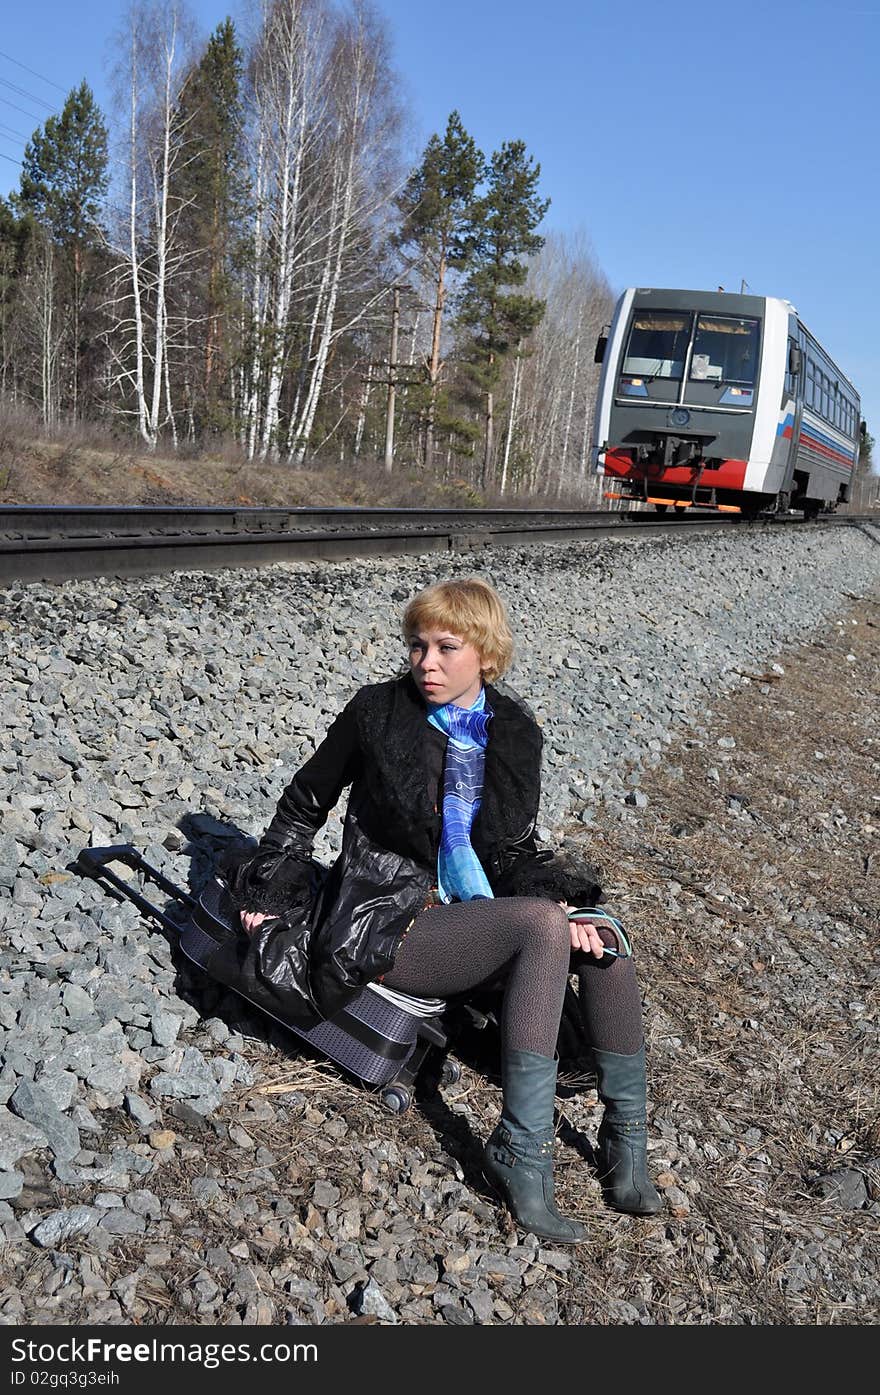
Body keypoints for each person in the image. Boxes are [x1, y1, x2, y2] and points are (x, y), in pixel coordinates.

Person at [231, 578, 661, 1242]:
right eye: (418, 645)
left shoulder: (513, 734)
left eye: (445, 647)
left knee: (604, 936)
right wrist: (268, 891)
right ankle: (523, 1150)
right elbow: (303, 804)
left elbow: (514, 848)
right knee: (541, 925)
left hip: (477, 919)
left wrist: (562, 899)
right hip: (389, 921)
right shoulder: (377, 714)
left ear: (485, 654)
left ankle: (625, 1143)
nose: (425, 662)